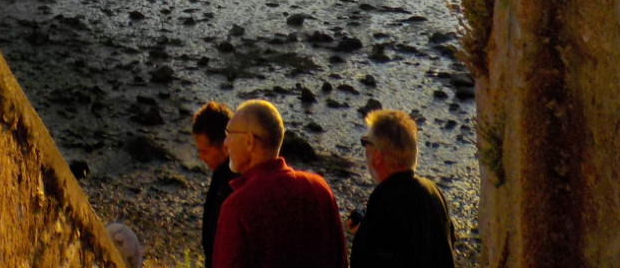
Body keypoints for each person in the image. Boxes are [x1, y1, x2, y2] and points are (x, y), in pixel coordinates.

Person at [213, 99, 348, 268]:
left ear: (249, 141)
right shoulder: (319, 188)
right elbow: (340, 260)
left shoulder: (238, 208)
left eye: (229, 134)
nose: (225, 144)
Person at [348, 109, 456, 268]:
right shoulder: (433, 192)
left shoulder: (386, 208)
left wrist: (365, 236)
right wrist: (364, 232)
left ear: (378, 156)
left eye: (367, 142)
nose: (365, 149)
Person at [192, 101, 237, 268]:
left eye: (204, 151)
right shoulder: (222, 173)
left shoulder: (237, 183)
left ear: (223, 145)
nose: (201, 157)